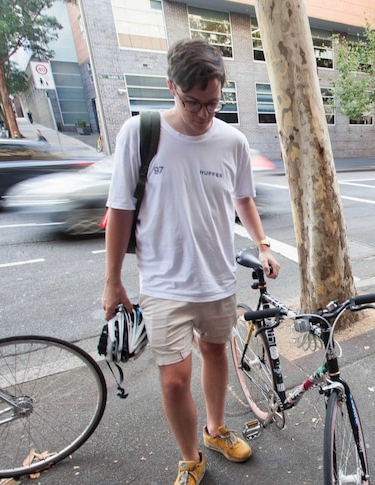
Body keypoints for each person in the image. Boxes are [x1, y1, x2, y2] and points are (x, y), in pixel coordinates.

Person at [101, 38, 280, 485]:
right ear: (171, 88)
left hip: (217, 276)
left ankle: (216, 429)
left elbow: (243, 197)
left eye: (213, 104)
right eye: (193, 103)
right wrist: (112, 281)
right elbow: (120, 209)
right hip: (162, 281)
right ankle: (191, 457)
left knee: (216, 351)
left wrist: (262, 243)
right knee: (174, 379)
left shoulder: (232, 140)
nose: (204, 115)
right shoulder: (139, 133)